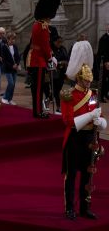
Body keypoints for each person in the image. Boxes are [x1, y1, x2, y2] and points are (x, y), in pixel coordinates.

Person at [60, 64, 106, 220]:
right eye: (86, 81)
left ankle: (85, 208)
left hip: (89, 138)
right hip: (74, 137)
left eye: (89, 81)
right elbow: (68, 121)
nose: (88, 83)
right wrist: (90, 116)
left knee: (88, 175)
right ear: (79, 79)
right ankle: (70, 208)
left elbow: (96, 115)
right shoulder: (68, 94)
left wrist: (100, 122)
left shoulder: (92, 95)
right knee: (71, 175)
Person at [27, 0, 60, 119]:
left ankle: (38, 110)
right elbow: (46, 47)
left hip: (35, 59)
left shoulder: (36, 24)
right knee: (39, 89)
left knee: (37, 88)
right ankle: (38, 111)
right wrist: (50, 58)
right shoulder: (43, 26)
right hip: (39, 61)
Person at [1, 32, 20, 105]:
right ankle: (5, 97)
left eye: (14, 39)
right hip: (8, 68)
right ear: (8, 39)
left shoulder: (15, 46)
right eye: (12, 39)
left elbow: (18, 56)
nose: (13, 41)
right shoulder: (4, 47)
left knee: (13, 84)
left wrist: (17, 64)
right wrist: (11, 66)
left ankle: (10, 99)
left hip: (14, 68)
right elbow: (4, 60)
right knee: (11, 83)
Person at [52, 36, 69, 111]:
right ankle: (58, 106)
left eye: (61, 42)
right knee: (56, 90)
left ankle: (50, 97)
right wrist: (58, 63)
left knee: (59, 88)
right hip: (54, 72)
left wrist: (64, 62)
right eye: (58, 42)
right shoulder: (52, 49)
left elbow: (67, 58)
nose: (60, 44)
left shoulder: (63, 49)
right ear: (54, 42)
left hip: (62, 72)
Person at [97, 24, 109, 101]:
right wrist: (106, 62)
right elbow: (102, 51)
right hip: (106, 62)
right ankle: (101, 96)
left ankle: (106, 94)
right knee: (104, 79)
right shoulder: (104, 38)